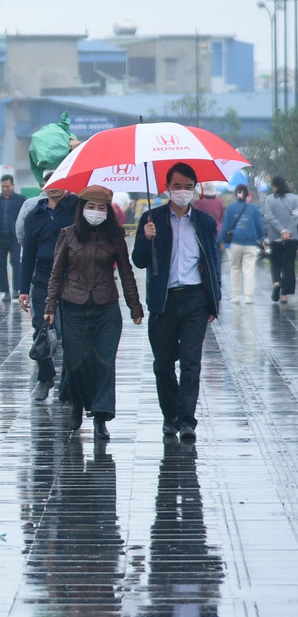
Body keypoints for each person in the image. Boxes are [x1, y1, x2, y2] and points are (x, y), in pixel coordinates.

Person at [43, 185, 144, 439]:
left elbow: (126, 272)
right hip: (73, 306)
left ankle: (101, 417)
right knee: (76, 361)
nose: (96, 212)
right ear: (82, 208)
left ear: (108, 211)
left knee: (104, 363)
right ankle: (76, 404)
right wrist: (50, 307)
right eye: (91, 206)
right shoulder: (67, 234)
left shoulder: (115, 236)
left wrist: (135, 306)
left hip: (106, 307)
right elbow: (56, 273)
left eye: (101, 208)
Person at [132, 163, 222, 443]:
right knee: (163, 364)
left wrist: (213, 302)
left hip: (195, 299)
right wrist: (146, 239)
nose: (182, 192)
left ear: (195, 189)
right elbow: (139, 260)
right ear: (167, 187)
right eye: (177, 186)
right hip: (164, 302)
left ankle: (186, 421)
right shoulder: (152, 218)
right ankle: (169, 416)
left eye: (187, 187)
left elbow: (213, 264)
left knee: (192, 363)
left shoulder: (204, 222)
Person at [18, 183, 80, 401]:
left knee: (71, 333)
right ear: (44, 187)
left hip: (71, 279)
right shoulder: (34, 215)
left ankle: (69, 381)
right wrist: (23, 288)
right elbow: (28, 255)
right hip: (43, 279)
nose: (54, 188)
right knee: (41, 329)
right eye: (50, 184)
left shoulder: (75, 206)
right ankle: (45, 377)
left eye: (59, 183)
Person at [0, 174, 26, 301]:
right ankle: (5, 291)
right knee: (1, 265)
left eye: (7, 186)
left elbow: (25, 216)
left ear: (12, 185)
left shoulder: (20, 199)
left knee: (16, 263)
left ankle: (16, 289)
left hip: (14, 237)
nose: (5, 189)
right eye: (3, 187)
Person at [222, 184, 265, 304]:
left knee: (235, 268)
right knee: (249, 269)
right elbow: (259, 226)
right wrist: (262, 238)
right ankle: (248, 296)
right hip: (250, 243)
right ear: (247, 195)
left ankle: (236, 296)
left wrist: (222, 240)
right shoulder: (254, 209)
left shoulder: (230, 208)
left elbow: (225, 226)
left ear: (236, 194)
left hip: (235, 243)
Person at [263, 177, 298, 305]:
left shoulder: (270, 199)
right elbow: (296, 215)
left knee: (275, 262)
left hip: (275, 237)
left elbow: (269, 216)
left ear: (274, 187)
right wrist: (288, 230)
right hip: (292, 237)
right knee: (289, 264)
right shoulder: (295, 198)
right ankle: (284, 294)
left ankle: (277, 281)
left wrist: (281, 231)